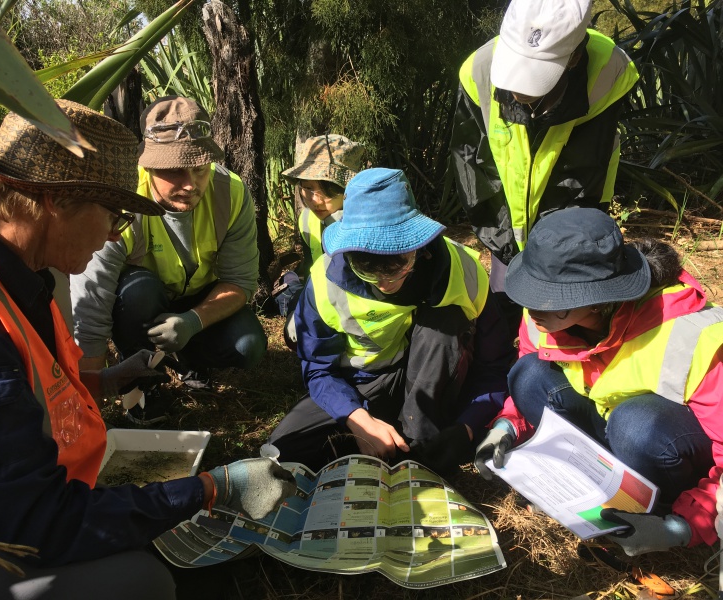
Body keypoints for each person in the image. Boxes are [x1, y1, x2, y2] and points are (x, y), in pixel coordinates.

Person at [0, 100, 297, 599]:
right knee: (141, 583)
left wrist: (101, 380)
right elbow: (43, 525)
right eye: (113, 216)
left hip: (4, 504)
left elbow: (19, 395)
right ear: (57, 200)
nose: (112, 235)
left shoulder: (2, 261)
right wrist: (210, 489)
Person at [474, 208, 723, 556]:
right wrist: (506, 427)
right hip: (608, 434)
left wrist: (683, 526)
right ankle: (592, 486)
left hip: (667, 448)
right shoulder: (543, 317)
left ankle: (660, 508)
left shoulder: (692, 335)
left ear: (600, 301)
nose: (534, 311)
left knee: (635, 423)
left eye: (552, 302)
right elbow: (530, 380)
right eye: (529, 296)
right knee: (528, 374)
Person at [269, 168, 515, 474]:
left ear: (419, 244)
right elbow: (319, 370)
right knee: (283, 450)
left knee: (444, 323)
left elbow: (494, 366)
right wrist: (358, 419)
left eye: (398, 263)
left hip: (437, 382)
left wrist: (468, 425)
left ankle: (420, 443)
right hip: (364, 382)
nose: (385, 281)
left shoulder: (463, 271)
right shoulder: (323, 281)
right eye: (367, 267)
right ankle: (382, 433)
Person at [71, 95, 267, 425]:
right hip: (137, 303)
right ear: (147, 164)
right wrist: (86, 402)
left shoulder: (230, 193)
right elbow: (89, 308)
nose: (190, 184)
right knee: (139, 291)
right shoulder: (122, 198)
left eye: (200, 168)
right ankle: (138, 382)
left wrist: (194, 320)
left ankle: (189, 361)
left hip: (198, 298)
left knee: (247, 345)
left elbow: (240, 280)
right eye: (174, 171)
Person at [449, 0, 639, 333]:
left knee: (567, 315)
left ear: (575, 56)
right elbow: (473, 167)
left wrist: (553, 255)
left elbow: (583, 173)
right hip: (504, 224)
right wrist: (505, 245)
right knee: (504, 308)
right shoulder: (479, 69)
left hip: (567, 228)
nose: (518, 91)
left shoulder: (608, 71)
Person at [273, 134, 365, 349]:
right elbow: (312, 266)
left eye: (328, 188)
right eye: (307, 187)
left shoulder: (368, 221)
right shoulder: (307, 220)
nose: (315, 200)